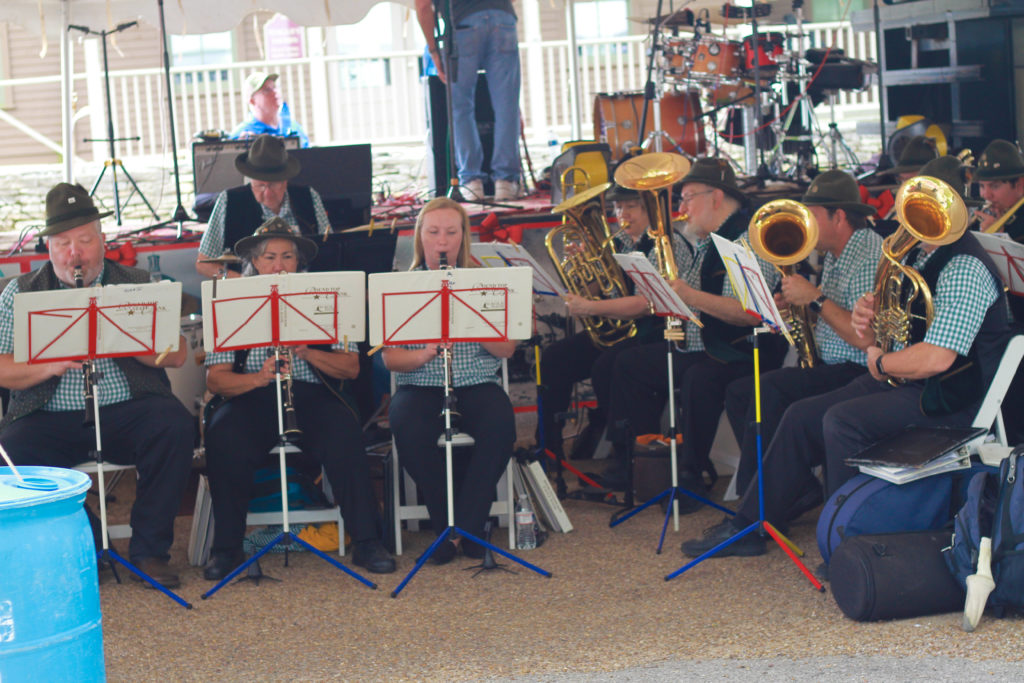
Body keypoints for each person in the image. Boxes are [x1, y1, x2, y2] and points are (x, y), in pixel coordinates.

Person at [681, 156, 1011, 559]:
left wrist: (882, 362)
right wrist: (866, 319)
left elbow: (937, 358)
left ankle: (846, 543)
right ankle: (751, 523)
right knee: (801, 414)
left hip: (948, 397)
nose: (913, 219)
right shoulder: (919, 259)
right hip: (910, 381)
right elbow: (878, 337)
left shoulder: (963, 266)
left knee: (841, 421)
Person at [0, 183, 194, 588]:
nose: (76, 253)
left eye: (85, 240)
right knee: (12, 455)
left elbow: (175, 355)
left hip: (128, 406)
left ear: (102, 241)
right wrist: (49, 365)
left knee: (173, 424)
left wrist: (131, 337)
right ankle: (92, 544)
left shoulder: (136, 280)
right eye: (64, 243)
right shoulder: (20, 292)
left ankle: (150, 551)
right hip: (49, 413)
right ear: (48, 247)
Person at [201, 217, 395, 579]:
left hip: (311, 394)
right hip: (251, 395)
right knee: (223, 435)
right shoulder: (229, 301)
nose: (279, 266)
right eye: (270, 257)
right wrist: (258, 378)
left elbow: (351, 368)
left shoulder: (327, 297)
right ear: (255, 263)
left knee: (344, 432)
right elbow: (216, 379)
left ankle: (367, 541)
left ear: (298, 263)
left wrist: (307, 351)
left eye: (287, 257)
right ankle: (226, 548)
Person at [604, 158, 783, 497]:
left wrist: (687, 295)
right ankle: (640, 460)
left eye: (687, 198)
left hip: (742, 349)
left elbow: (750, 314)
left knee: (699, 378)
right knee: (630, 364)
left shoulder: (746, 240)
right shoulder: (707, 240)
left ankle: (690, 472)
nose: (682, 208)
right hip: (708, 344)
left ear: (715, 197)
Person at [723, 170, 882, 496]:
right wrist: (792, 308)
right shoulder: (838, 254)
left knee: (767, 390)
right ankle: (787, 488)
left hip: (855, 370)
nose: (805, 224)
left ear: (838, 216)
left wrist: (814, 298)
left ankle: (757, 502)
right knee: (742, 393)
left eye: (812, 215)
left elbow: (864, 337)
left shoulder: (867, 253)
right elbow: (830, 314)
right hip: (831, 364)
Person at [383, 197, 516, 563]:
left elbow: (505, 350)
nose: (442, 241)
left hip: (476, 382)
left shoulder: (486, 283)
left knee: (500, 425)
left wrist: (473, 315)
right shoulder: (399, 286)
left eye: (451, 233)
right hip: (420, 382)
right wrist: (425, 353)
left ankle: (467, 527)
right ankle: (448, 526)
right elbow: (392, 359)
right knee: (406, 425)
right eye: (433, 232)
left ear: (463, 238)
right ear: (419, 237)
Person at [537, 183, 686, 464]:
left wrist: (591, 307)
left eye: (631, 207)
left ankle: (625, 454)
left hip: (651, 331)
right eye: (617, 208)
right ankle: (548, 445)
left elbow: (643, 305)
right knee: (555, 357)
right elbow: (600, 290)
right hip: (619, 329)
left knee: (608, 366)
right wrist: (582, 270)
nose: (622, 214)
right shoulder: (616, 243)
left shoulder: (660, 246)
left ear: (649, 210)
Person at [415, 0, 522, 201]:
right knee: (507, 105)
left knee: (460, 107)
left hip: (462, 23)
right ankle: (506, 182)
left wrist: (434, 51)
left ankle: (471, 182)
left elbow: (422, 6)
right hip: (502, 17)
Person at [196, 134, 330, 279]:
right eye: (260, 185)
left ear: (285, 180)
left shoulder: (308, 197)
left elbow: (331, 250)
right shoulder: (229, 201)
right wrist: (243, 283)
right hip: (247, 295)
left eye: (273, 185)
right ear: (250, 180)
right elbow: (204, 263)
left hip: (306, 291)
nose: (267, 193)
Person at [229, 72, 310, 148]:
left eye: (275, 87)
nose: (274, 92)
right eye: (267, 90)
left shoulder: (293, 127)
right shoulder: (241, 135)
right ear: (252, 100)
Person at [973, 139, 1024, 238]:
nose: (986, 195)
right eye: (982, 186)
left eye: (995, 186)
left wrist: (997, 237)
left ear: (1020, 185)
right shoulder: (979, 218)